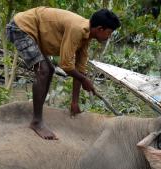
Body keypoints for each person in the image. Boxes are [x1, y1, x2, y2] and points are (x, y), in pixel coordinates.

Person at [7, 8, 120, 139]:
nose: (109, 37)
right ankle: (37, 122)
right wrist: (84, 80)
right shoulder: (77, 29)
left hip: (35, 32)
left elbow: (79, 68)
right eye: (109, 33)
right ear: (100, 29)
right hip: (22, 27)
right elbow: (66, 65)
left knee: (49, 69)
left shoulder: (86, 37)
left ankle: (38, 116)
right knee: (43, 70)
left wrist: (75, 103)